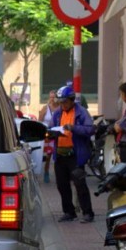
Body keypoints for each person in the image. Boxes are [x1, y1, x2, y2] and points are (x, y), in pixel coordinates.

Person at [51, 85, 96, 223]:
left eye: (65, 102)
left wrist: (73, 128)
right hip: (60, 155)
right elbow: (51, 128)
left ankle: (87, 212)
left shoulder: (81, 112)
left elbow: (90, 129)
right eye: (60, 102)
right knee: (62, 185)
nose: (62, 105)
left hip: (75, 155)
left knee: (80, 184)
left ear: (71, 100)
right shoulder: (57, 113)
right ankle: (69, 212)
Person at [38, 90, 59, 183]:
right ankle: (46, 172)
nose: (52, 99)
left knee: (56, 155)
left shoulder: (60, 108)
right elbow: (39, 121)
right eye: (51, 97)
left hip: (57, 133)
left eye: (54, 97)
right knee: (48, 155)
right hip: (47, 134)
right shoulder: (45, 108)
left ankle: (58, 173)